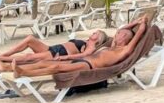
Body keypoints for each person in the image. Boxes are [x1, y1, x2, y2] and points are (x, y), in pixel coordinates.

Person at [9, 14, 153, 77]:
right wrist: (134, 22)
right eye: (120, 34)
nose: (120, 35)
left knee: (55, 67)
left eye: (124, 36)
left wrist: (143, 24)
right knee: (45, 62)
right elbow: (122, 29)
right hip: (83, 60)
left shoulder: (125, 50)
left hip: (88, 65)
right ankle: (19, 69)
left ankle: (24, 72)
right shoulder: (114, 45)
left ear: (128, 41)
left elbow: (140, 32)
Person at [0, 30, 107, 72]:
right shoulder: (86, 41)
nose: (93, 33)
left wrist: (63, 58)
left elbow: (83, 55)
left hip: (60, 53)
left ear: (99, 38)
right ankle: (3, 56)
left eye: (96, 33)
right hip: (55, 48)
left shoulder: (91, 47)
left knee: (29, 57)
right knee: (30, 39)